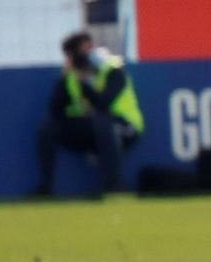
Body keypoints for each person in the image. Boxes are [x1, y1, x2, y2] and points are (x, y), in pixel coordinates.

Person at [35, 32, 143, 198]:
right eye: (80, 52)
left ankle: (115, 185)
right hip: (94, 128)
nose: (86, 55)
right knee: (47, 128)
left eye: (88, 49)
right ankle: (45, 188)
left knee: (103, 122)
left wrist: (84, 84)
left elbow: (102, 104)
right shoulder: (72, 77)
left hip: (125, 127)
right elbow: (55, 111)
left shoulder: (112, 70)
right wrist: (65, 80)